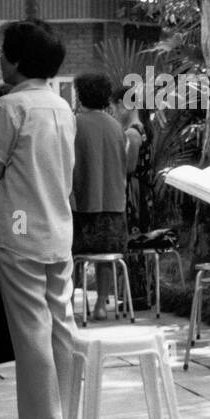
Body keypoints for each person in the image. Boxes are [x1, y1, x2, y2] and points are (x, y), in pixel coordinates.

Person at [0, 20, 77, 419]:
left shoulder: (9, 107)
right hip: (57, 229)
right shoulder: (61, 106)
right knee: (60, 323)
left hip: (17, 231)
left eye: (2, 51)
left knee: (31, 328)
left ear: (16, 60)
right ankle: (70, 413)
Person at [70, 72, 129, 320]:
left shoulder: (74, 123)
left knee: (73, 259)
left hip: (81, 204)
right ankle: (101, 306)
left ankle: (70, 304)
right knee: (106, 259)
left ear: (80, 94)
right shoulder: (117, 127)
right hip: (114, 204)